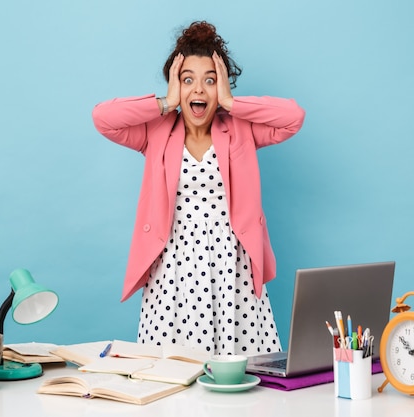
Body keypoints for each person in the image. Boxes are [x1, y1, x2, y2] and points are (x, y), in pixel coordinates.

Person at [92, 21, 305, 355]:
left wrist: (232, 103)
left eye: (210, 80)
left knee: (246, 376)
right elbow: (103, 117)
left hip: (231, 269)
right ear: (176, 84)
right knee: (172, 377)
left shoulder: (240, 130)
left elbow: (293, 116)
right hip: (173, 271)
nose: (199, 91)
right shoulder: (157, 133)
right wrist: (166, 101)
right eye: (187, 79)